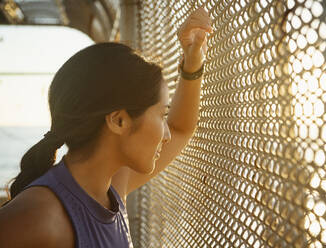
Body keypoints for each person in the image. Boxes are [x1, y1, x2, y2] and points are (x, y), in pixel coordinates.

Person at [0, 7, 212, 248]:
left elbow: (180, 128)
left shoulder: (109, 189)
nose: (166, 134)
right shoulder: (41, 217)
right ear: (119, 120)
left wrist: (193, 63)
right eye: (160, 114)